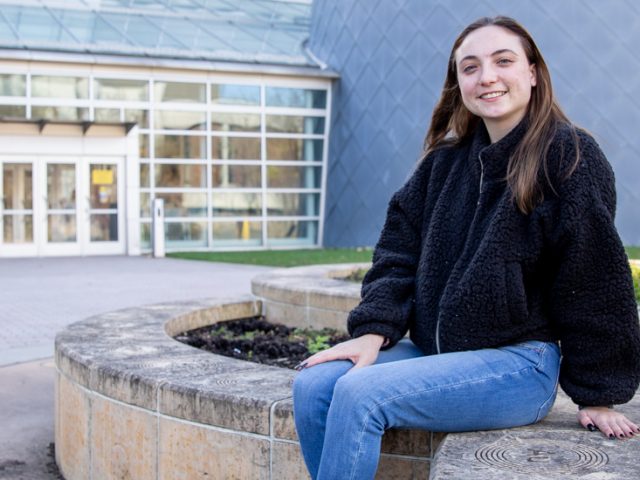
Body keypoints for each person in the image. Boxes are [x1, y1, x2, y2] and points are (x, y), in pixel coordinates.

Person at [292, 15, 640, 480]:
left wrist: (598, 392)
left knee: (360, 393)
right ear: (458, 82)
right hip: (437, 353)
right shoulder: (445, 163)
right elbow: (397, 250)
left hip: (520, 365)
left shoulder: (567, 155)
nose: (487, 77)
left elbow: (594, 276)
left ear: (533, 72)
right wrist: (375, 328)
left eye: (503, 61)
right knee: (314, 385)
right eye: (470, 67)